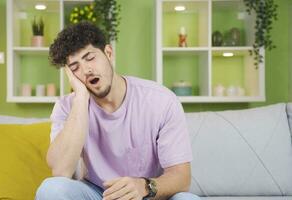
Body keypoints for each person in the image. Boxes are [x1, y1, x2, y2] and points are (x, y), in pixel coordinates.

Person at [36, 22, 200, 200]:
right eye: (75, 67)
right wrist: (81, 98)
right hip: (98, 194)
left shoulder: (161, 100)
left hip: (146, 194)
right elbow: (61, 170)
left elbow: (181, 177)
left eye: (90, 58)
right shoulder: (67, 106)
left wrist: (144, 186)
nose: (86, 70)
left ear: (108, 53)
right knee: (51, 189)